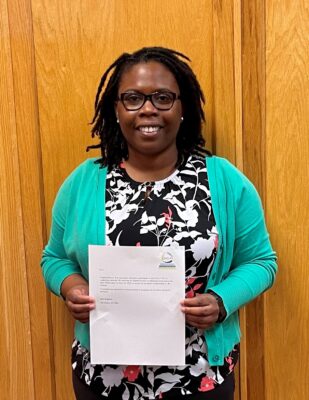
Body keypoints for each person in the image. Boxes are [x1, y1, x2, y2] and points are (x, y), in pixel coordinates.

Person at [41, 46, 277, 400]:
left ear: (182, 108)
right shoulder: (83, 183)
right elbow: (55, 258)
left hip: (200, 377)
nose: (148, 109)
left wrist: (221, 300)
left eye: (163, 98)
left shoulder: (224, 180)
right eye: (133, 98)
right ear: (116, 109)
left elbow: (262, 262)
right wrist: (72, 287)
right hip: (103, 379)